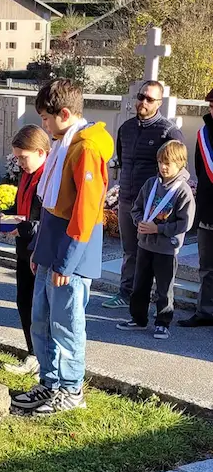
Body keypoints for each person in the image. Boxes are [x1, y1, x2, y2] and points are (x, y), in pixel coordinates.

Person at [12, 79, 113, 416]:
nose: (43, 125)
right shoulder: (61, 142)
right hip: (50, 251)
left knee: (67, 326)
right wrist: (39, 252)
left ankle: (71, 390)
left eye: (45, 118)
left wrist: (65, 264)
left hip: (70, 257)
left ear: (65, 113)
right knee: (42, 321)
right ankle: (50, 383)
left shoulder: (86, 148)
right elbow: (49, 206)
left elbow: (84, 213)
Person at [103, 80, 184, 309]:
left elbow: (179, 166)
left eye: (149, 99)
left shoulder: (167, 131)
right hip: (128, 199)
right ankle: (126, 293)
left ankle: (155, 300)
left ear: (159, 102)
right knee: (130, 251)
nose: (143, 102)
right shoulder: (126, 128)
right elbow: (122, 159)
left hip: (155, 205)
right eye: (141, 97)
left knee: (152, 252)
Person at [117, 141, 195, 339]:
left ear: (181, 163)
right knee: (140, 284)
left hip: (166, 249)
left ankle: (162, 322)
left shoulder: (182, 191)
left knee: (164, 288)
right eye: (160, 162)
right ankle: (138, 318)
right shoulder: (151, 184)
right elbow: (137, 208)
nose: (163, 167)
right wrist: (139, 222)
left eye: (168, 163)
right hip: (144, 244)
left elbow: (184, 223)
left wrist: (158, 228)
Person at [0, 125, 50, 375]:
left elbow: (49, 221)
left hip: (41, 251)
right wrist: (3, 218)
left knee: (41, 309)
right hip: (24, 249)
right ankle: (33, 354)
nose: (19, 163)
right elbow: (21, 205)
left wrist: (24, 228)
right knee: (24, 303)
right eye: (16, 158)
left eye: (22, 157)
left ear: (40, 152)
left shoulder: (48, 177)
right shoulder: (27, 173)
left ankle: (44, 359)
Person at [179, 91, 213, 327]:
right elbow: (202, 172)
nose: (211, 109)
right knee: (207, 267)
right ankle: (205, 311)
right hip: (209, 210)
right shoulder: (205, 134)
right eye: (211, 105)